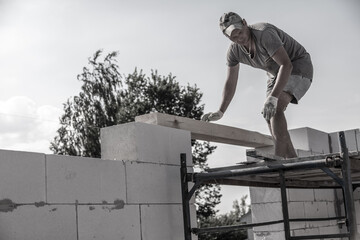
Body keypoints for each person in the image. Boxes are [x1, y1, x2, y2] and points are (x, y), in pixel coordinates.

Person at [202, 12, 313, 158]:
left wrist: (273, 97)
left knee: (276, 106)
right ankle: (292, 158)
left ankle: (279, 157)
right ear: (227, 37)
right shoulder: (234, 52)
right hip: (274, 74)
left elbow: (286, 65)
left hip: (297, 65)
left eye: (240, 32)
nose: (239, 38)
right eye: (233, 37)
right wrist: (221, 111)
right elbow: (231, 82)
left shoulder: (264, 33)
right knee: (268, 114)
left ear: (245, 22)